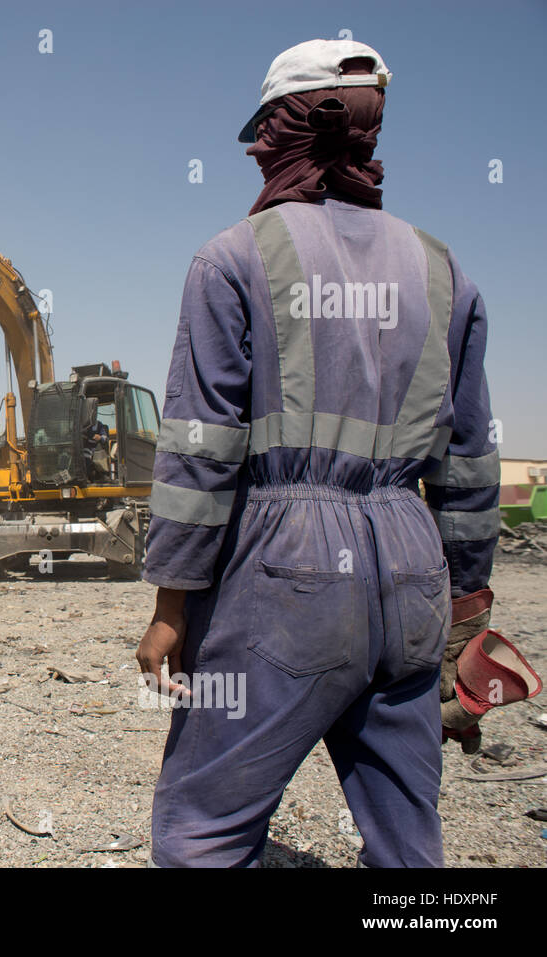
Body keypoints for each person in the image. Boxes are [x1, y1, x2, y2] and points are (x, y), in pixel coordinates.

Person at [135, 39, 536, 867]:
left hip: (286, 577)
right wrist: (469, 607)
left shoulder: (234, 258)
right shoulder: (443, 270)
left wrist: (171, 606)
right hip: (411, 574)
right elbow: (469, 460)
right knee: (405, 840)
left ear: (280, 131)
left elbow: (202, 450)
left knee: (202, 832)